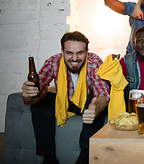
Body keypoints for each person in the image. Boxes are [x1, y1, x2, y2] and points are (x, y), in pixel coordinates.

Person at [22, 31, 110, 164]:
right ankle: (48, 157)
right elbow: (38, 90)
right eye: (69, 53)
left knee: (94, 99)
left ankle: (85, 154)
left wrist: (96, 107)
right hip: (65, 103)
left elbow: (102, 93)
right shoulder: (53, 61)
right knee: (41, 103)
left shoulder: (94, 61)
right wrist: (30, 94)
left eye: (80, 53)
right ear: (62, 51)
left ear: (87, 52)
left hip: (88, 103)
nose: (74, 58)